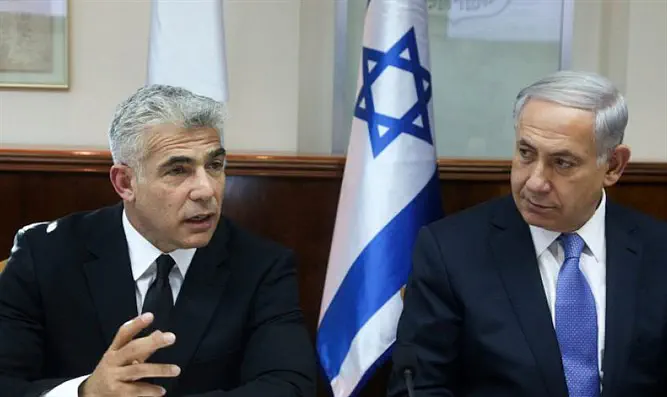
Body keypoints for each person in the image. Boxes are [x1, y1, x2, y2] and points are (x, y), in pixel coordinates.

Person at [0, 85, 316, 397]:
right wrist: (85, 393)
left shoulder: (261, 266)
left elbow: (290, 385)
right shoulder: (45, 255)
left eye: (215, 165)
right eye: (178, 170)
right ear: (125, 183)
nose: (207, 190)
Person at [387, 71, 667, 396]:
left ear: (613, 166)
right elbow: (421, 386)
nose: (535, 182)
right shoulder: (451, 252)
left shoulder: (658, 251)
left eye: (562, 162)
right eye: (525, 153)